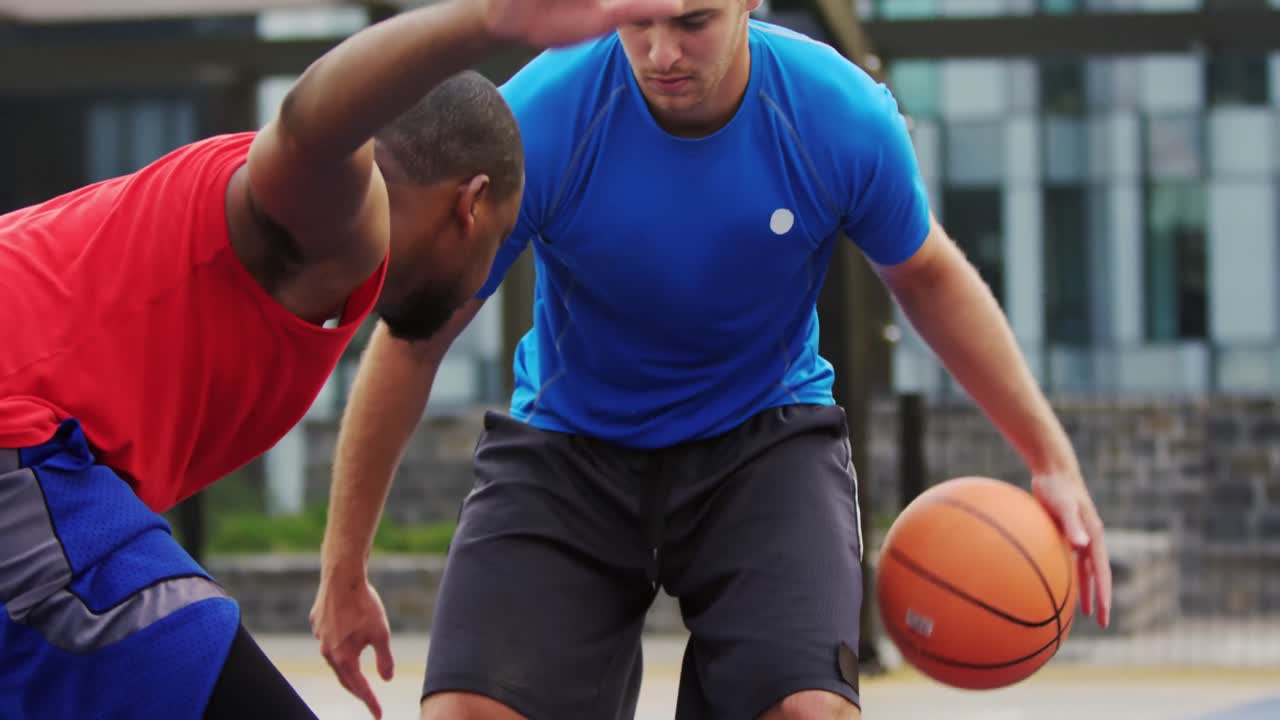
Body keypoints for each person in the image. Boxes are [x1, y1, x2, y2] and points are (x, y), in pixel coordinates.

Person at [312, 1, 1115, 718]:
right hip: (570, 446)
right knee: (467, 714)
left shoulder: (835, 114)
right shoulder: (544, 119)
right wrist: (343, 569)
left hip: (761, 443)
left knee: (809, 711)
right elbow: (416, 342)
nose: (661, 51)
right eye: (638, 21)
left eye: (692, 21)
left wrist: (1050, 458)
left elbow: (928, 275)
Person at [0, 1, 680, 718]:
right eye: (500, 245)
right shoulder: (348, 223)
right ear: (471, 205)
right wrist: (490, 21)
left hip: (40, 454)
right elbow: (308, 126)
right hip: (20, 439)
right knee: (179, 649)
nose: (485, 279)